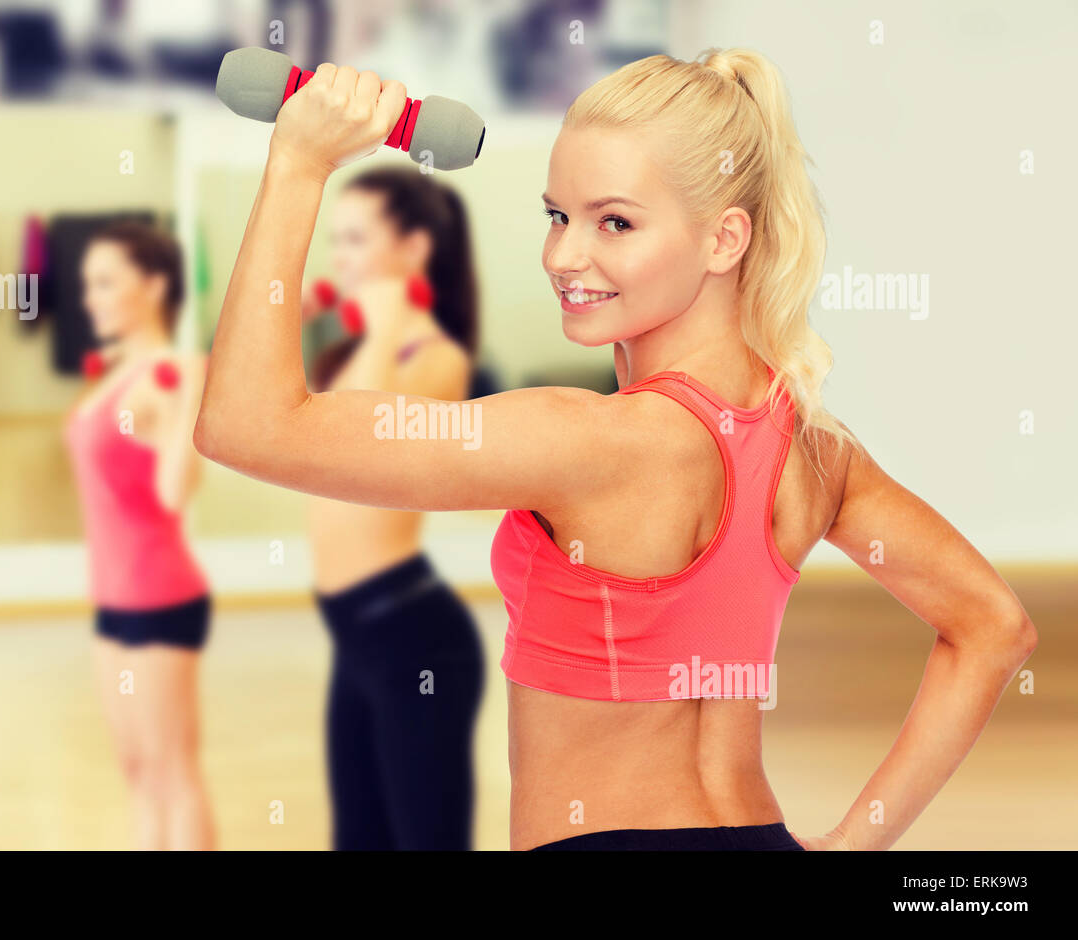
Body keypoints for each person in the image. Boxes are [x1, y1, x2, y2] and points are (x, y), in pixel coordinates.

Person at [195, 50, 1038, 851]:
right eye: (558, 215)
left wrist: (298, 165)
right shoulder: (815, 445)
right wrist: (857, 842)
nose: (564, 255)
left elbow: (246, 426)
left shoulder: (589, 442)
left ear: (724, 240)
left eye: (616, 223)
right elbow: (993, 627)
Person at [304, 167, 484, 850]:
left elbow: (365, 449)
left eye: (355, 239)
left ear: (412, 249)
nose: (339, 258)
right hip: (356, 637)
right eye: (335, 241)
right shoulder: (360, 350)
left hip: (415, 643)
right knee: (358, 840)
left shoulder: (435, 358)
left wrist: (379, 332)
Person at [63, 221, 216, 850]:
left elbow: (176, 494)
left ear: (153, 286)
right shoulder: (120, 374)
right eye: (88, 284)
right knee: (137, 770)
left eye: (106, 282)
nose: (91, 298)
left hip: (160, 599)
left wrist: (186, 408)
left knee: (173, 769)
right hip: (113, 603)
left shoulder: (171, 375)